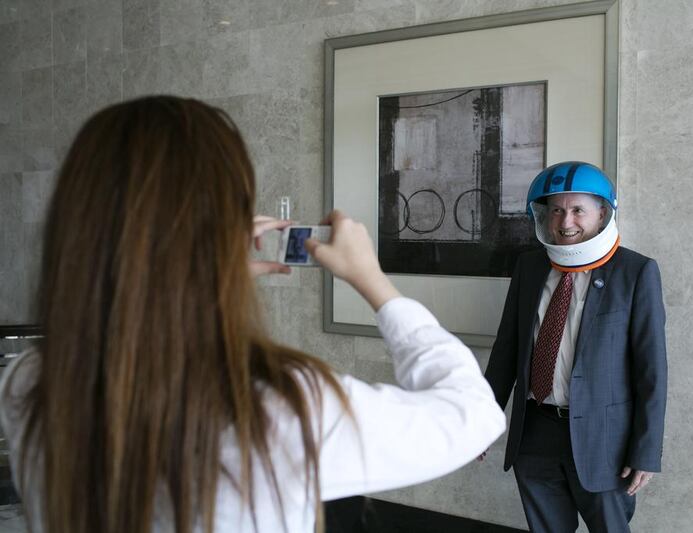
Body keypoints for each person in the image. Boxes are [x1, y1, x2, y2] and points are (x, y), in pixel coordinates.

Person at [0, 96, 506, 533]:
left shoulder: (29, 383)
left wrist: (206, 275)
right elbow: (473, 416)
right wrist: (373, 283)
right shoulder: (277, 406)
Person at [482, 161, 667, 532]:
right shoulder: (530, 267)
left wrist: (645, 450)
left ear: (602, 213)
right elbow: (506, 352)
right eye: (556, 210)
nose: (566, 222)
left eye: (578, 210)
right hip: (534, 433)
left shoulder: (636, 272)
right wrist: (477, 422)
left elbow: (652, 370)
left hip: (605, 442)